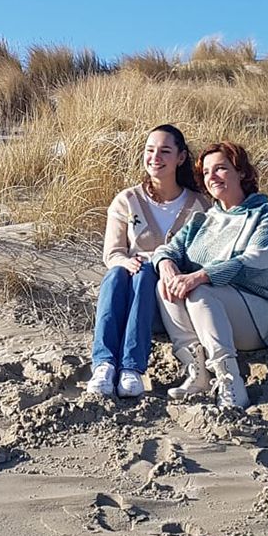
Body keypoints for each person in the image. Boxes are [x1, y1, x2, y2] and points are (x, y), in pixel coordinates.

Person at [152, 142, 268, 409]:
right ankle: (197, 372)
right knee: (166, 285)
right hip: (211, 315)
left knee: (199, 289)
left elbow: (258, 258)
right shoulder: (202, 221)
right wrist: (167, 264)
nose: (212, 177)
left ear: (240, 172)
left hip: (261, 316)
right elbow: (167, 249)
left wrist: (201, 276)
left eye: (220, 169)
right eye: (206, 172)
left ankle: (230, 382)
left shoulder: (265, 215)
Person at [87, 125, 210, 397]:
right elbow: (113, 252)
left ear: (180, 158)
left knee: (145, 273)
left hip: (167, 302)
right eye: (150, 150)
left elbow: (202, 259)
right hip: (127, 300)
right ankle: (104, 365)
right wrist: (125, 261)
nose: (155, 157)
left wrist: (154, 262)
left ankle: (132, 368)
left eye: (165, 151)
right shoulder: (127, 200)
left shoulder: (200, 206)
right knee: (116, 274)